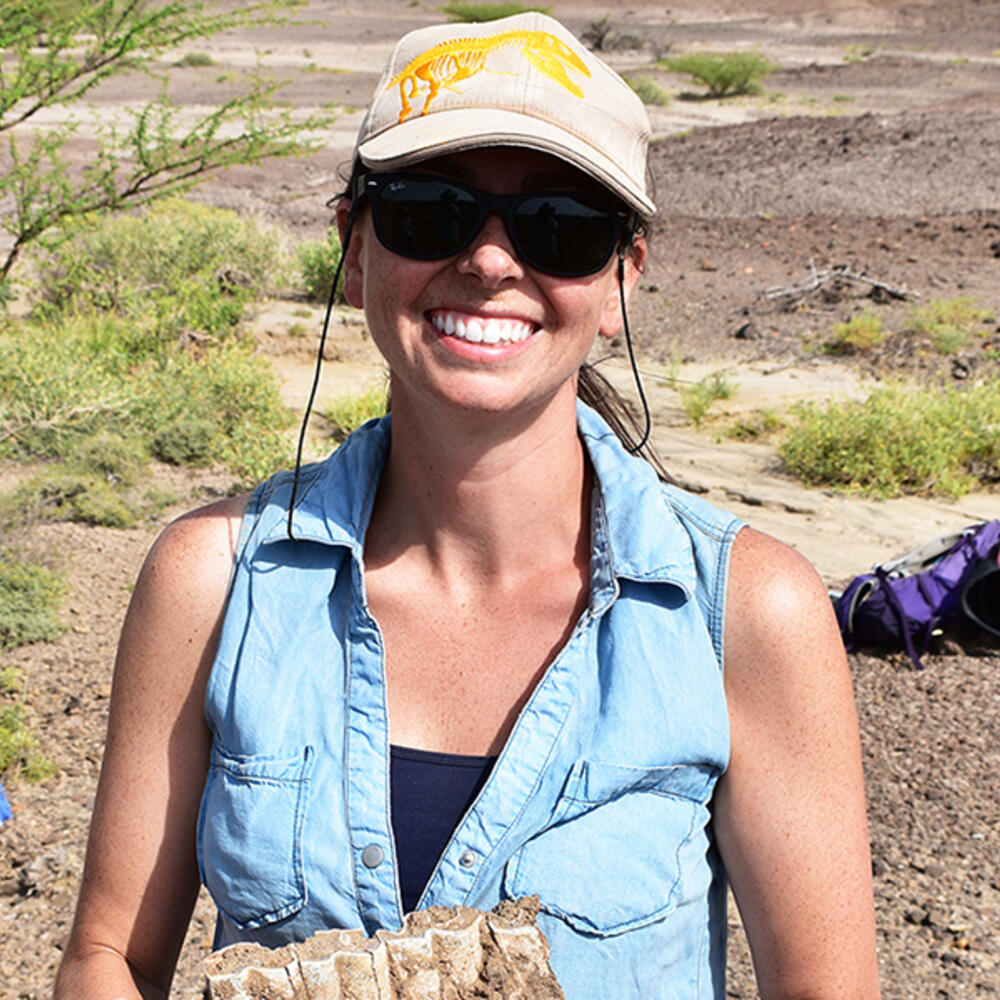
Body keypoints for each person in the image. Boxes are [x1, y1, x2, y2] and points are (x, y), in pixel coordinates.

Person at [54, 12, 881, 1000]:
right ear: (352, 248)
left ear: (622, 278)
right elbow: (112, 954)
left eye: (559, 229)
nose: (491, 261)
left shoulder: (743, 610)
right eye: (430, 212)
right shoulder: (215, 582)